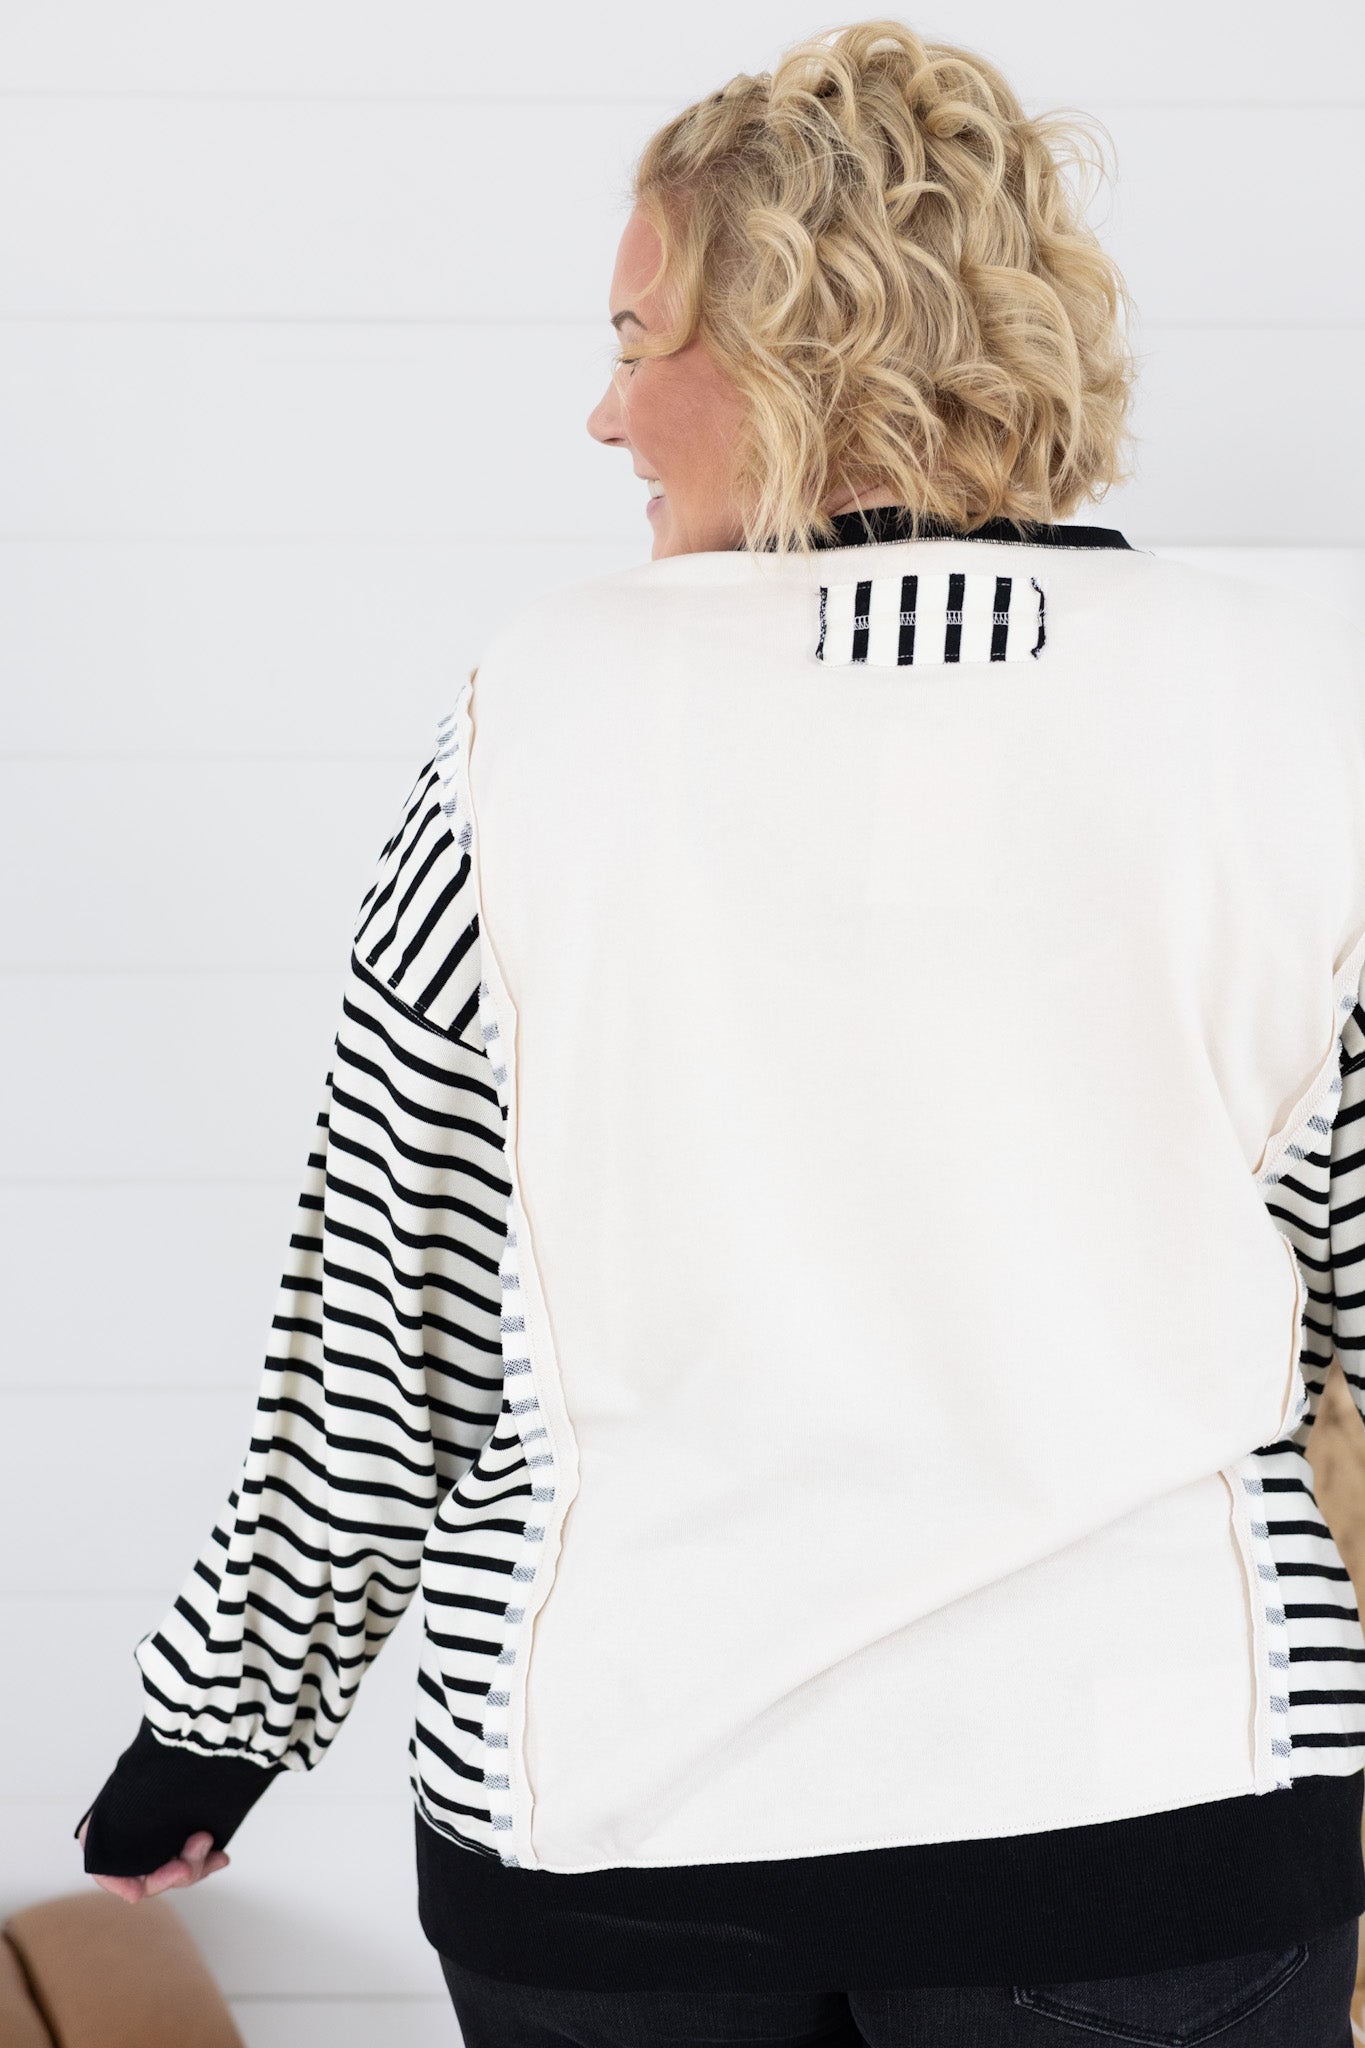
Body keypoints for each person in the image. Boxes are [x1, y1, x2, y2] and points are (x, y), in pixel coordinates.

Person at [74, 18, 1365, 2047]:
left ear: (792, 346)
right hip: (1159, 1822)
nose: (602, 415)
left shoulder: (531, 720)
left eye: (632, 338)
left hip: (610, 1841)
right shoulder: (1282, 715)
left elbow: (385, 1329)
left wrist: (213, 1732)